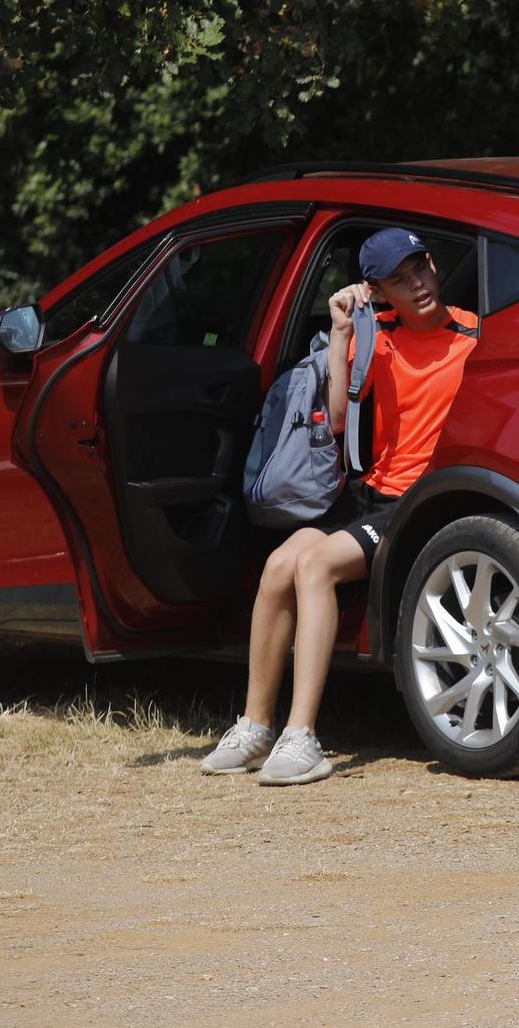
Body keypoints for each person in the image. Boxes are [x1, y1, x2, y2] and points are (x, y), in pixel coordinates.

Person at [201, 228, 479, 785]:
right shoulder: (376, 336)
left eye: (420, 268)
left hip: (417, 500)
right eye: (399, 280)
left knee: (316, 564)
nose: (418, 284)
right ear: (378, 292)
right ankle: (256, 726)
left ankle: (302, 735)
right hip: (368, 492)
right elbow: (336, 414)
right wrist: (341, 331)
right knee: (279, 563)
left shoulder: (475, 332)